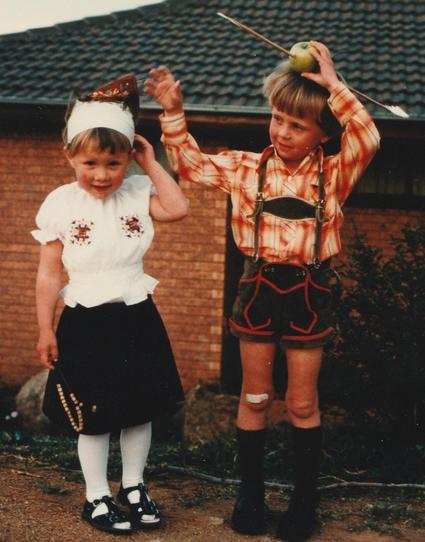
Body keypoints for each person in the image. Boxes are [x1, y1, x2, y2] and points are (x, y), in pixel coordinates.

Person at [145, 41, 380, 541]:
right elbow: (188, 165)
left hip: (310, 291)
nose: (283, 131)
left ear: (321, 133)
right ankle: (250, 496)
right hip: (257, 289)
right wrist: (172, 112)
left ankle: (303, 504)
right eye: (277, 119)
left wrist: (333, 86)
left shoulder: (335, 173)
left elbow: (367, 137)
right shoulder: (245, 167)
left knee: (300, 402)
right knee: (254, 397)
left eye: (297, 125)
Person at [32, 75, 188, 535]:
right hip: (84, 320)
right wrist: (46, 328)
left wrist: (150, 162)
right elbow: (48, 273)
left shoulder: (138, 193)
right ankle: (97, 493)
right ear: (70, 157)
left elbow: (178, 208)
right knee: (94, 417)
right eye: (90, 162)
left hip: (136, 314)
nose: (101, 174)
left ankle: (134, 487)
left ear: (127, 160)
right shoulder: (60, 203)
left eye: (114, 163)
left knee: (139, 410)